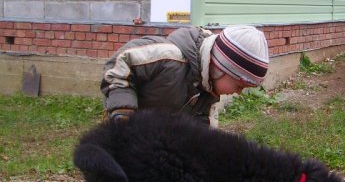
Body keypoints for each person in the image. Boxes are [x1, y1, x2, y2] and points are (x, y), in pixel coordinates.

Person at [100, 24, 269, 125]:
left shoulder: (208, 92)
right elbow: (121, 63)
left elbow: (204, 128)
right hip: (127, 129)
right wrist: (123, 109)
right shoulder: (170, 57)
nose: (238, 92)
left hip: (156, 141)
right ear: (220, 68)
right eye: (239, 85)